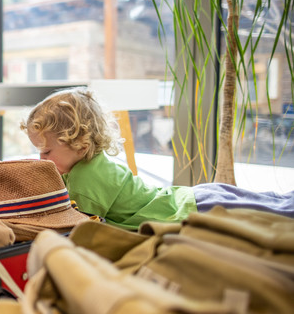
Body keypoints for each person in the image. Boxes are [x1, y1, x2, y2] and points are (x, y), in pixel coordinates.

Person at [20, 87, 294, 230]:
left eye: (46, 152)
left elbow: (76, 225)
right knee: (273, 203)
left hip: (189, 210)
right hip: (192, 197)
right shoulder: (89, 162)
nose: (41, 159)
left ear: (80, 145)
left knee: (278, 214)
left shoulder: (86, 178)